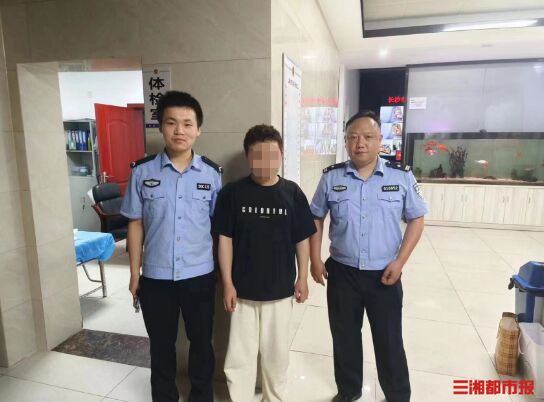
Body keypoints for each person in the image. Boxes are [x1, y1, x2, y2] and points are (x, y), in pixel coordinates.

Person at [309, 110, 428, 402]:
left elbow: (417, 218)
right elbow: (316, 217)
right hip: (342, 272)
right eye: (352, 137)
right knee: (345, 337)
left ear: (380, 140)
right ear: (346, 142)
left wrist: (400, 262)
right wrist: (315, 258)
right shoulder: (331, 177)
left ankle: (397, 395)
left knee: (389, 340)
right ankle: (348, 391)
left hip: (384, 274)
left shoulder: (401, 176)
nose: (359, 143)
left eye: (367, 137)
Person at [121, 90, 222, 402]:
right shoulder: (142, 172)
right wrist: (134, 273)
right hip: (156, 276)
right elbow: (135, 223)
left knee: (201, 344)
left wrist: (223, 274)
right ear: (160, 126)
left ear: (198, 130)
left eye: (188, 124)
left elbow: (219, 229)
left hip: (199, 274)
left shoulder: (212, 174)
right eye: (171, 122)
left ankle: (201, 397)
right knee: (161, 346)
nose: (180, 130)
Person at [212, 124, 316, 402]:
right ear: (248, 157)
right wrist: (227, 283)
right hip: (242, 292)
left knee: (276, 355)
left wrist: (302, 277)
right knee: (239, 357)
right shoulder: (232, 193)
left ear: (281, 155)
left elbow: (302, 239)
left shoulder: (292, 193)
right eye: (257, 155)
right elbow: (224, 240)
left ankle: (274, 398)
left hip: (280, 291)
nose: (265, 162)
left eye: (272, 155)